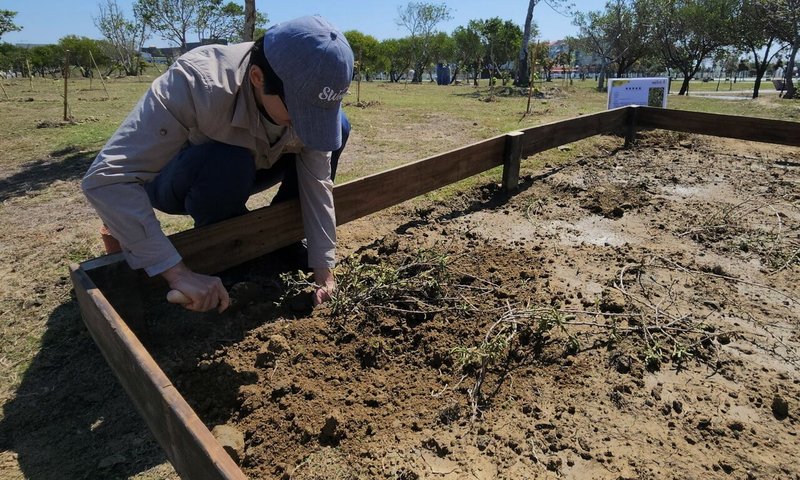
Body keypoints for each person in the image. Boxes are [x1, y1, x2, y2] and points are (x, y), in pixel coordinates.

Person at [81, 15, 354, 313]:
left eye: (316, 113)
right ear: (257, 78)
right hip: (181, 179)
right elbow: (107, 178)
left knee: (336, 129)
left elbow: (316, 182)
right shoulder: (197, 80)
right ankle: (227, 251)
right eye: (299, 111)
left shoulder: (308, 90)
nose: (305, 124)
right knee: (228, 159)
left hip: (255, 168)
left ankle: (284, 239)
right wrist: (177, 273)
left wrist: (323, 266)